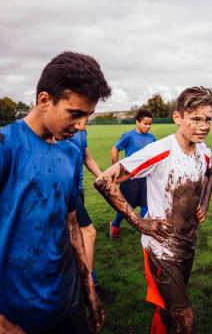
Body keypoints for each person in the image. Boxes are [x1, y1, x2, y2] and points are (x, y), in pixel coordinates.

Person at [0, 52, 111, 333]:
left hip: (67, 306)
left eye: (87, 117)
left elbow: (71, 225)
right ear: (44, 101)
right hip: (12, 314)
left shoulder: (71, 149)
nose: (81, 126)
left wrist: (88, 290)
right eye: (75, 114)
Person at [94, 86, 212, 334]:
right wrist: (140, 223)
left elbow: (211, 174)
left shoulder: (204, 152)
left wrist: (204, 202)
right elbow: (105, 181)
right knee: (184, 320)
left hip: (187, 244)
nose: (203, 126)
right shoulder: (160, 151)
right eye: (196, 119)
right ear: (178, 117)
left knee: (165, 309)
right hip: (160, 250)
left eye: (208, 119)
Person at [69, 129, 116, 303]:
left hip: (78, 189)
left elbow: (86, 157)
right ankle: (91, 288)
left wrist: (103, 177)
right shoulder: (61, 127)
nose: (85, 120)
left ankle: (78, 286)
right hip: (67, 190)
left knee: (75, 238)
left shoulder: (82, 129)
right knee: (88, 233)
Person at [109, 109, 156, 240]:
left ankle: (146, 234)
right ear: (137, 122)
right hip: (130, 178)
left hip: (146, 177)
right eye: (145, 124)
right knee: (126, 206)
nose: (148, 126)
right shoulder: (128, 136)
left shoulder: (152, 138)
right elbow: (115, 149)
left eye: (149, 124)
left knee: (146, 205)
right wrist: (116, 168)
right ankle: (115, 224)